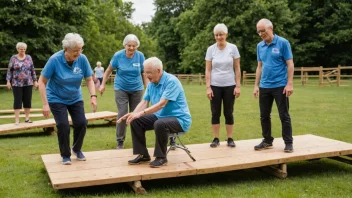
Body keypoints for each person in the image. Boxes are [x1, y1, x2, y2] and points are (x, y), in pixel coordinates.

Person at [118, 57, 192, 168]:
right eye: (145, 72)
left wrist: (141, 113)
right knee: (136, 121)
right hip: (161, 116)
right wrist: (133, 114)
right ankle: (143, 154)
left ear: (158, 71)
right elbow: (144, 102)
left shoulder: (171, 81)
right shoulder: (152, 84)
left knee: (160, 123)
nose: (146, 75)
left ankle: (161, 157)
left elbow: (162, 104)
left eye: (149, 72)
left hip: (180, 120)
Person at [38, 33, 98, 165]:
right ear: (66, 49)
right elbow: (41, 81)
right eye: (75, 50)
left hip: (75, 97)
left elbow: (89, 79)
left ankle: (76, 149)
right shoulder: (54, 60)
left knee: (82, 122)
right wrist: (45, 104)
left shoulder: (82, 59)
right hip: (56, 97)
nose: (79, 53)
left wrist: (93, 96)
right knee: (63, 125)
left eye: (80, 49)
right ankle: (65, 155)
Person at [99, 34, 148, 149]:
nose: (131, 48)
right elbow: (108, 70)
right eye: (129, 45)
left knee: (136, 115)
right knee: (122, 113)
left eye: (134, 46)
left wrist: (148, 88)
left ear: (137, 46)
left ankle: (138, 141)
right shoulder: (118, 56)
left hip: (137, 89)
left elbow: (144, 73)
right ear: (125, 45)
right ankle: (120, 141)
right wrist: (102, 84)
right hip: (121, 88)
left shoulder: (140, 56)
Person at [253, 18, 294, 153]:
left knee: (284, 115)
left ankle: (288, 143)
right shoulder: (260, 46)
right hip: (265, 86)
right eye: (258, 32)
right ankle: (267, 141)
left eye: (262, 31)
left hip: (280, 85)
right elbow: (259, 67)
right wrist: (256, 86)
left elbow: (290, 64)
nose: (260, 34)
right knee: (264, 115)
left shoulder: (283, 43)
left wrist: (289, 84)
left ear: (270, 28)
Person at [205, 23, 241, 148]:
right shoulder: (211, 49)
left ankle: (230, 138)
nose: (219, 37)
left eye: (221, 34)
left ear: (226, 35)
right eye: (216, 35)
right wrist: (208, 87)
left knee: (228, 112)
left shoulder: (233, 48)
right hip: (215, 85)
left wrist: (238, 86)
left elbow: (237, 68)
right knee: (215, 112)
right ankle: (216, 138)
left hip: (230, 85)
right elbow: (208, 70)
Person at [6, 42, 38, 125]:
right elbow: (9, 70)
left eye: (24, 49)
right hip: (16, 83)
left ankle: (27, 119)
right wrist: (8, 81)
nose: (22, 50)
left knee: (27, 101)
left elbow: (32, 70)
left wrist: (35, 80)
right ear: (17, 49)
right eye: (21, 49)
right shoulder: (13, 58)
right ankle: (17, 120)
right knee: (17, 101)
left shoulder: (29, 57)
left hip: (28, 83)